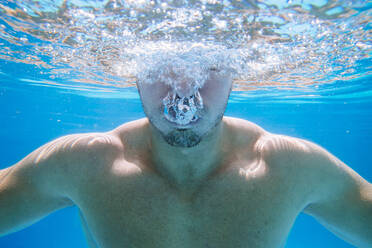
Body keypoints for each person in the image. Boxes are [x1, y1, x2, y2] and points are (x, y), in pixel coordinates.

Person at [0, 65, 371, 248]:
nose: (183, 91)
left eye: (208, 70)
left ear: (233, 75)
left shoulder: (290, 167)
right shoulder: (84, 163)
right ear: (136, 75)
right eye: (161, 71)